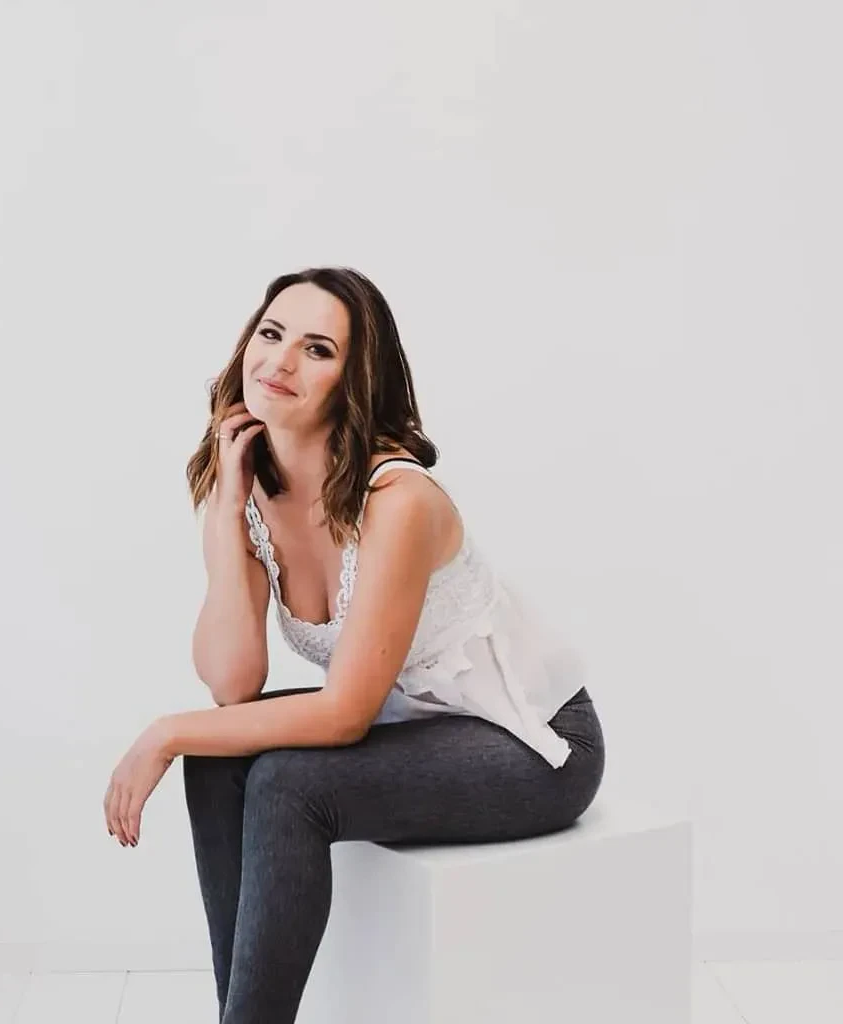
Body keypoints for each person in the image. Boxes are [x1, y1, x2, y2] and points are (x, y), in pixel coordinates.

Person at [103, 266, 605, 1024]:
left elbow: (344, 715)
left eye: (317, 349)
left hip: (532, 742)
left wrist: (163, 732)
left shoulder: (398, 500)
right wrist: (227, 513)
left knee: (286, 783)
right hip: (416, 726)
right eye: (271, 334)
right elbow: (233, 685)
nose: (280, 361)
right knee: (219, 756)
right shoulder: (249, 488)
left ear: (354, 380)